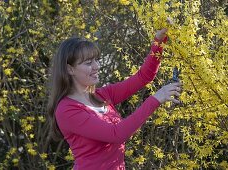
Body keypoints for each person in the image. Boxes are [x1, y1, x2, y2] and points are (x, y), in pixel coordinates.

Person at [47, 28, 182, 170]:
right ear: (70, 69)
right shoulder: (67, 110)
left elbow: (144, 76)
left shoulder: (102, 95)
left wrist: (159, 43)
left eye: (96, 60)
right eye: (88, 63)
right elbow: (116, 134)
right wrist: (155, 99)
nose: (96, 66)